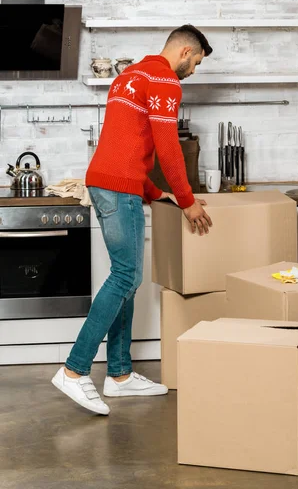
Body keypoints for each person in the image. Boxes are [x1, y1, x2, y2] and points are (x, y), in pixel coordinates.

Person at [52, 25, 214, 415]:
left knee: (125, 278)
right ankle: (74, 371)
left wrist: (160, 195)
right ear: (187, 51)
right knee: (126, 277)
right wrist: (189, 201)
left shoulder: (129, 76)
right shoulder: (164, 80)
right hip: (119, 190)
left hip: (108, 183)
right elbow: (168, 149)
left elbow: (124, 147)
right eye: (197, 64)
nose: (193, 72)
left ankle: (120, 375)